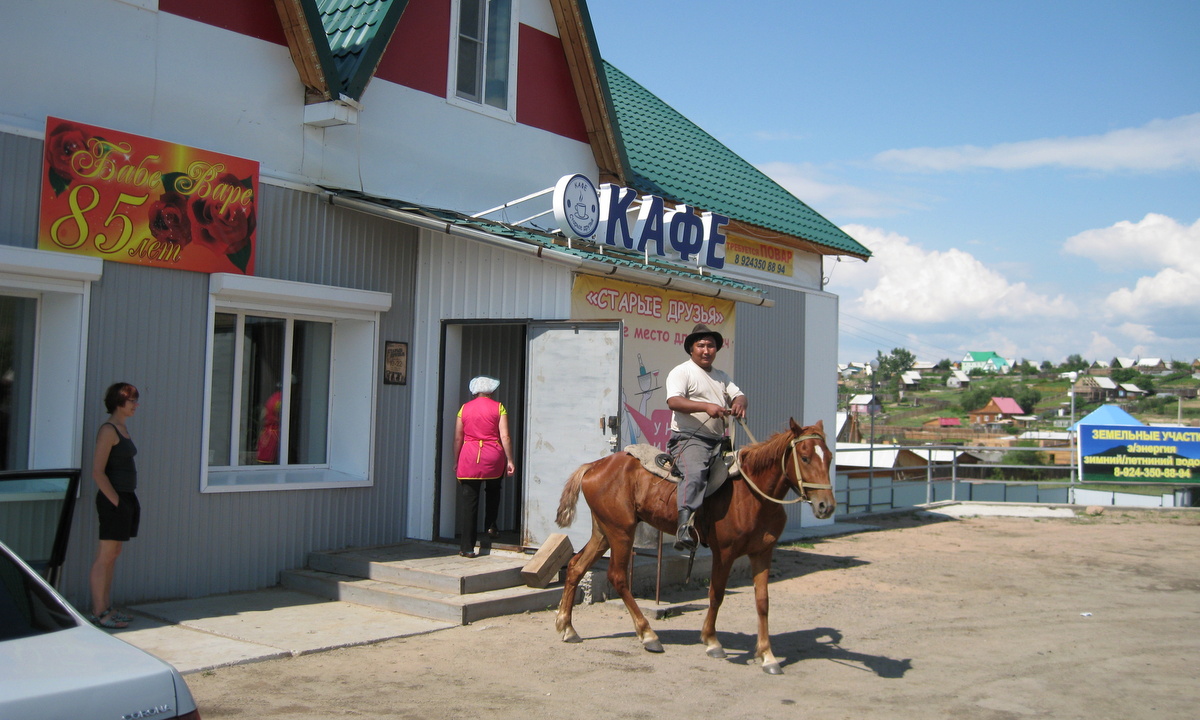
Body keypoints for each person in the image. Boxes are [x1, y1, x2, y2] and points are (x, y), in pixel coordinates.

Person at [665, 324, 747, 551]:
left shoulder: (722, 377)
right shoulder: (682, 372)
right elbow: (674, 401)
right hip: (690, 438)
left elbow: (738, 395)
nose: (706, 350)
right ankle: (684, 527)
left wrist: (739, 403)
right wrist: (706, 407)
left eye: (711, 345)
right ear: (691, 349)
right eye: (700, 345)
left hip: (718, 442)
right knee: (695, 473)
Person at [88, 382, 141, 629]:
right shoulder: (109, 430)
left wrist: (126, 502)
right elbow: (98, 472)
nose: (136, 405)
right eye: (132, 401)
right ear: (120, 401)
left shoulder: (123, 428)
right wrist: (117, 502)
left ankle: (107, 607)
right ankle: (99, 612)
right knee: (105, 556)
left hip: (126, 497)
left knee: (114, 554)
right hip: (113, 500)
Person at [453, 376, 515, 558]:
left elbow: (458, 438)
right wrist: (510, 459)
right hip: (492, 455)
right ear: (491, 391)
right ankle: (491, 525)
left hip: (469, 456)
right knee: (494, 490)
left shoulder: (463, 409)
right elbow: (506, 437)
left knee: (469, 502)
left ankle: (467, 547)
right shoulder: (499, 407)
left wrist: (456, 460)